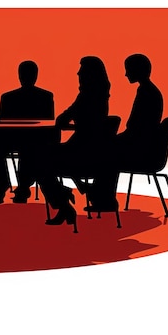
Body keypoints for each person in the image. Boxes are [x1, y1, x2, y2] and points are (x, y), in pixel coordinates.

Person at [36, 56, 113, 229]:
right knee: (42, 157)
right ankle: (70, 197)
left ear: (90, 74)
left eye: (82, 69)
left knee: (38, 161)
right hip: (88, 151)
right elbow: (66, 117)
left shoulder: (87, 96)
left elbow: (63, 118)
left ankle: (63, 200)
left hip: (81, 152)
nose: (78, 73)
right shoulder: (99, 96)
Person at [85, 53, 163, 208]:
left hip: (140, 147)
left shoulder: (146, 92)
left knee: (105, 152)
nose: (126, 74)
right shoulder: (149, 91)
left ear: (138, 70)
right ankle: (100, 194)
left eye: (128, 69)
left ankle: (103, 198)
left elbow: (136, 127)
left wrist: (115, 140)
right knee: (107, 148)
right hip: (142, 144)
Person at [0, 60, 55, 204]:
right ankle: (16, 186)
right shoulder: (45, 97)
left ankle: (2, 184)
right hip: (31, 140)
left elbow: (3, 123)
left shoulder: (8, 98)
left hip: (25, 140)